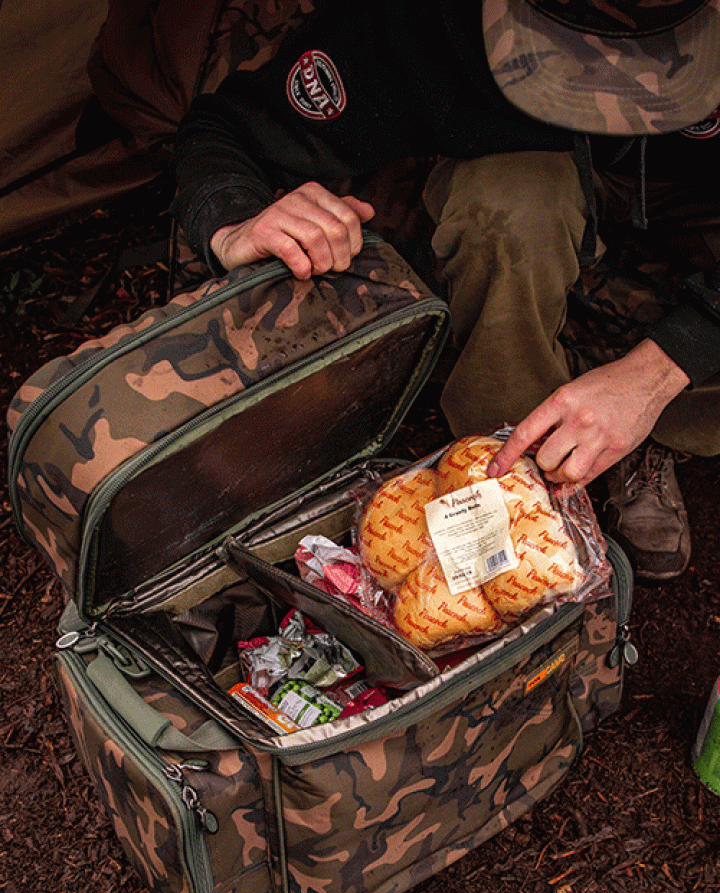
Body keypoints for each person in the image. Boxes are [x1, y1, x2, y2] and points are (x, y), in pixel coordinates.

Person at [170, 0, 720, 580]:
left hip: (695, 195)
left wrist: (660, 371)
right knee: (506, 209)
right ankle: (520, 470)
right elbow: (228, 126)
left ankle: (645, 427)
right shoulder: (425, 23)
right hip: (538, 178)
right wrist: (234, 222)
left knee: (679, 364)